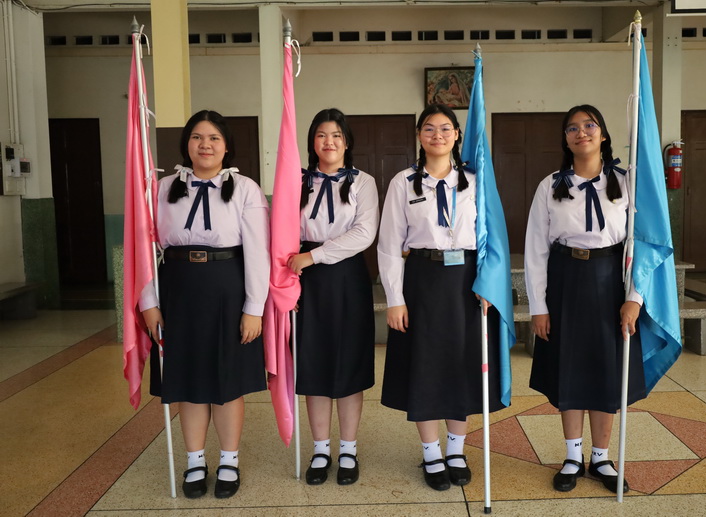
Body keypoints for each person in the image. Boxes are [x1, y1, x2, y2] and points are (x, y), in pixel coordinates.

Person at [140, 110, 269, 500]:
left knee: (227, 382)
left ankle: (229, 460)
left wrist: (254, 307)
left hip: (228, 288)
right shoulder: (162, 188)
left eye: (214, 138)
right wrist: (149, 301)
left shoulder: (245, 188)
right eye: (197, 137)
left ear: (226, 146)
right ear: (187, 144)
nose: (205, 145)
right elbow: (145, 250)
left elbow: (257, 252)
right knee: (189, 381)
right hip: (177, 291)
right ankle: (195, 460)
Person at [378, 103, 504, 492]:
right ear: (419, 135)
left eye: (445, 128)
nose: (438, 135)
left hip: (466, 282)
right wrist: (395, 298)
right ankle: (431, 453)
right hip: (422, 280)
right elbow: (388, 245)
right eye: (429, 128)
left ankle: (456, 451)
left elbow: (491, 237)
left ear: (457, 134)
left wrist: (489, 284)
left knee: (461, 364)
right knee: (425, 366)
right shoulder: (403, 182)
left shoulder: (474, 181)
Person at [523, 104, 647, 494]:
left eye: (590, 125)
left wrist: (635, 297)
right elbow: (535, 250)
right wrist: (539, 306)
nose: (582, 132)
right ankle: (573, 456)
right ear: (565, 139)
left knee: (606, 370)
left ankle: (602, 458)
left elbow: (643, 242)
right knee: (569, 369)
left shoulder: (627, 181)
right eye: (572, 128)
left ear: (603, 134)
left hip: (611, 283)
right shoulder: (550, 186)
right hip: (565, 281)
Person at [288, 108, 379, 486]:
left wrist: (315, 256)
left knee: (349, 365)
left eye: (336, 135)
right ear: (312, 141)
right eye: (322, 135)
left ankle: (349, 450)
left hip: (346, 277)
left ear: (347, 142)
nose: (329, 142)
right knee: (314, 364)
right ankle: (321, 449)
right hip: (304, 279)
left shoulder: (363, 182)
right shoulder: (296, 180)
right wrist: (286, 284)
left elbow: (364, 233)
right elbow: (282, 232)